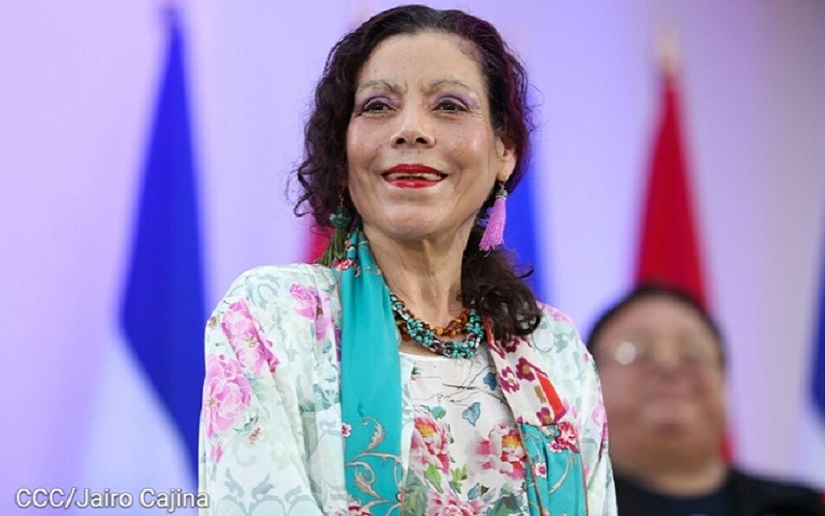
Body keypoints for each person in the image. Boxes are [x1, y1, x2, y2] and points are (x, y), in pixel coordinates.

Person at [199, 5, 616, 515]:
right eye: (377, 106)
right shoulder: (274, 319)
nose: (411, 130)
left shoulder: (553, 349)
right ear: (344, 150)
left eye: (449, 105)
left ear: (504, 150)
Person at [587, 284, 825, 516]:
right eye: (635, 352)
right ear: (588, 384)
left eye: (693, 352)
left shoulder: (803, 506)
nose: (669, 365)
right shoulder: (574, 506)